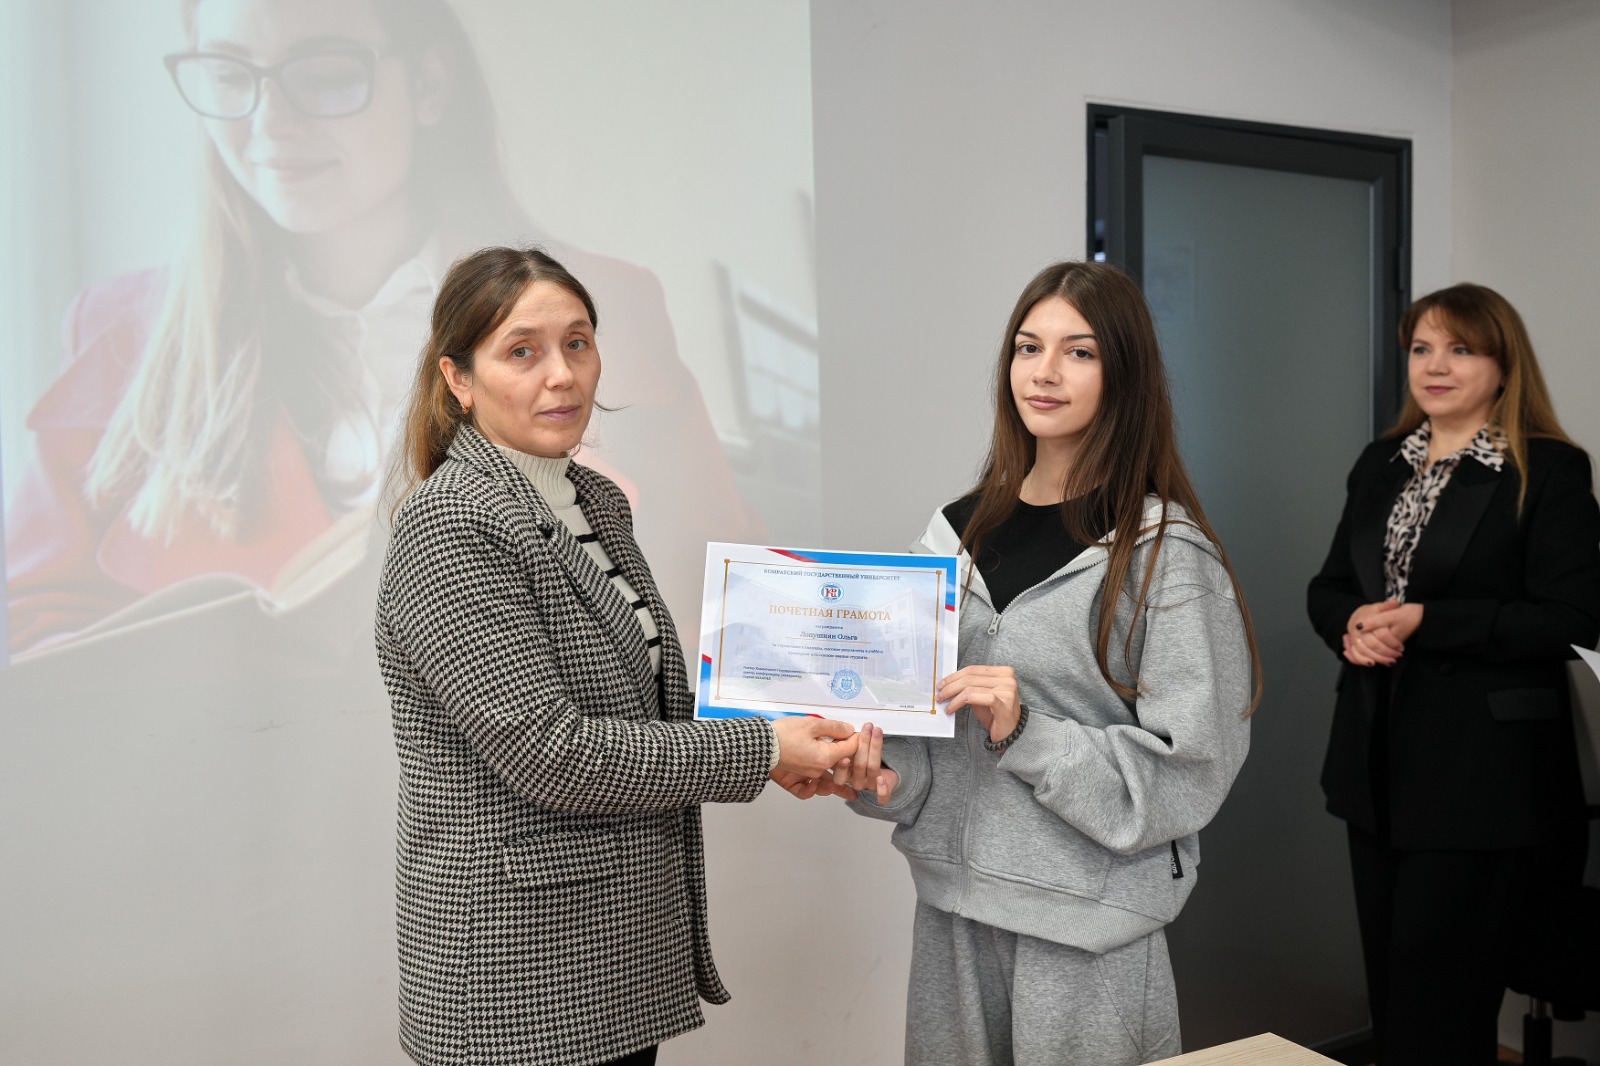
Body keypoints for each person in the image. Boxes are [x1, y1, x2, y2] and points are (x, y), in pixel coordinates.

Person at [4, 0, 753, 655]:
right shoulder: (121, 333)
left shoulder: (606, 308)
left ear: (428, 84)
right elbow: (33, 631)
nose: (270, 125)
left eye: (325, 75)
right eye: (230, 77)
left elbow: (734, 610)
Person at [376, 245, 858, 1066]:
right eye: (521, 351)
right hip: (516, 978)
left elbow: (641, 701)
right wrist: (766, 747)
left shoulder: (593, 500)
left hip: (608, 954)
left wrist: (792, 727)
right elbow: (551, 753)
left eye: (578, 342)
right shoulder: (453, 523)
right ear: (458, 378)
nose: (562, 374)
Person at [784, 261, 1257, 1065]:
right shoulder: (951, 535)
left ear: (1124, 373)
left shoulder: (1164, 553)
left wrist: (1027, 731)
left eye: (1080, 352)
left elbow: (1193, 769)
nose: (1044, 371)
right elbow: (924, 736)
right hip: (952, 913)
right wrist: (874, 769)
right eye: (1029, 347)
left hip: (1090, 934)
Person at [1307, 283, 1600, 1066]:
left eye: (1461, 349)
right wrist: (1351, 625)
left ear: (1504, 366)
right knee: (1394, 995)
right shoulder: (1382, 463)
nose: (1435, 366)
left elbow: (1572, 619)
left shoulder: (1547, 468)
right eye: (1422, 348)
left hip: (1481, 779)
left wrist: (1428, 621)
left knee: (1440, 1007)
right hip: (1376, 764)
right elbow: (1329, 586)